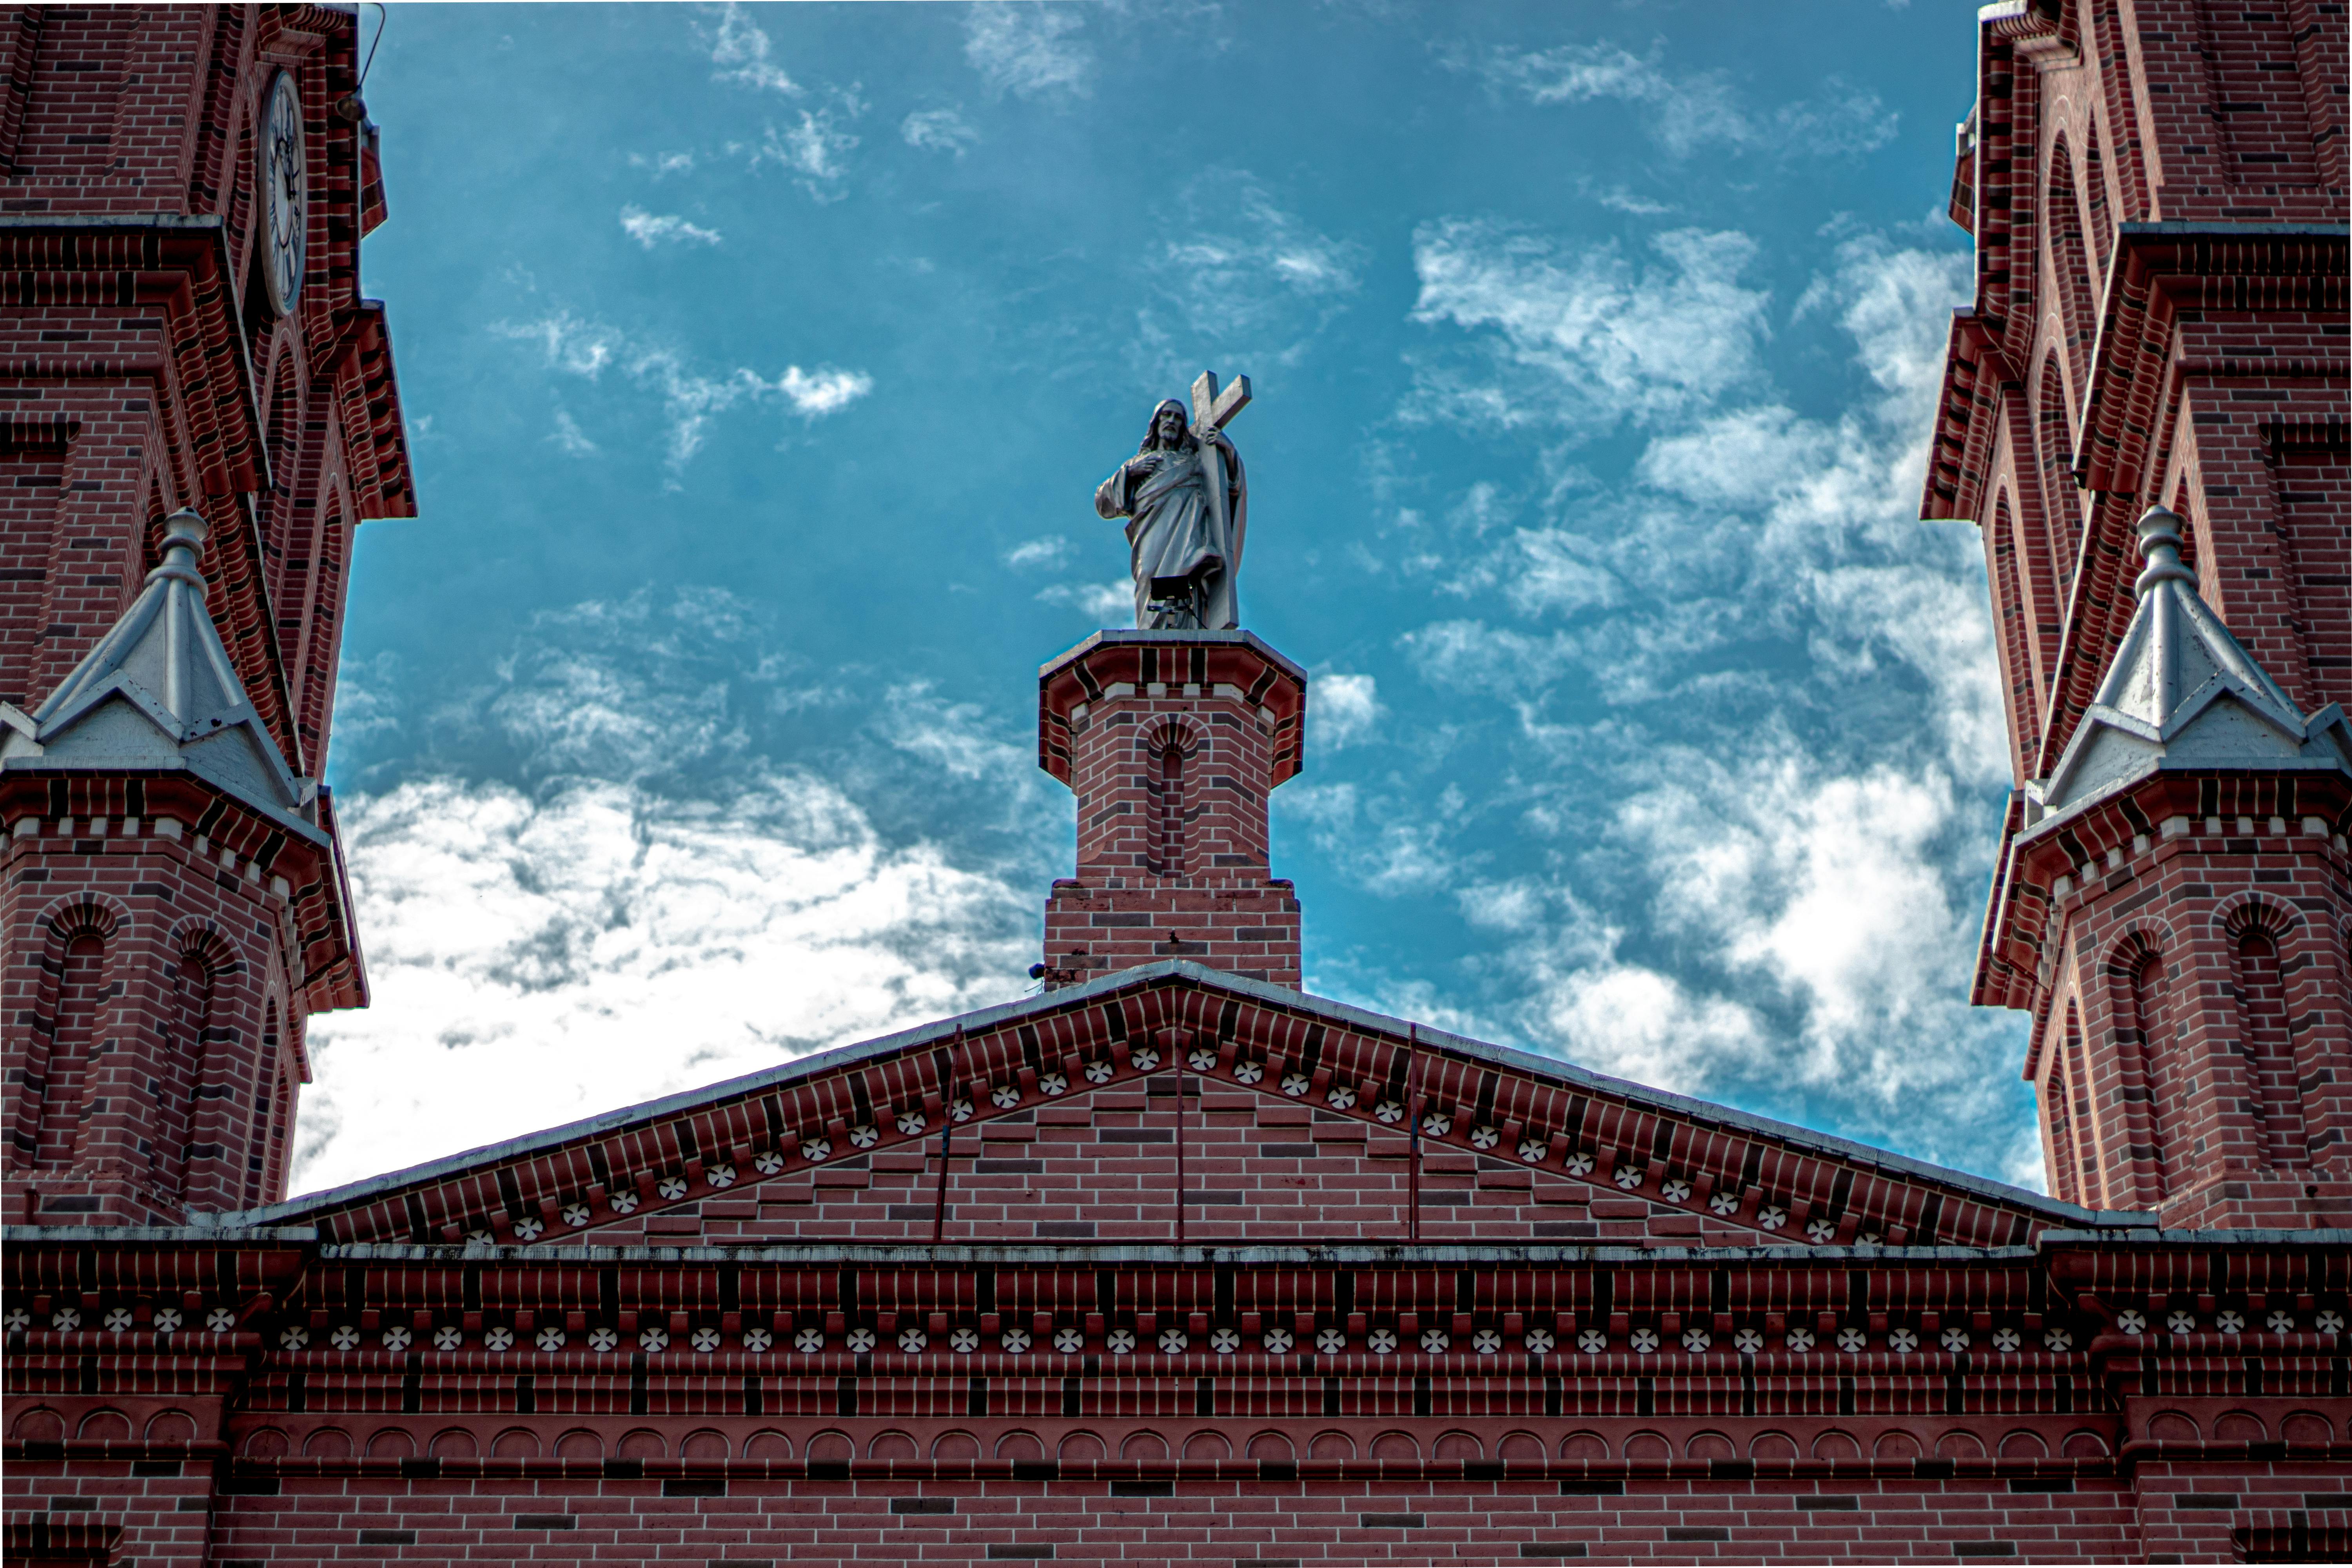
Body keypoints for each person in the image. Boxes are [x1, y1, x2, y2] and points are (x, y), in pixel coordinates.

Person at [1094, 397, 1246, 630]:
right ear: (1156, 422)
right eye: (1167, 415)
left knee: (1186, 579)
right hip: (1153, 533)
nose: (1172, 421)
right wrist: (1130, 473)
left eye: (1178, 418)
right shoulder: (1139, 462)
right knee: (1150, 577)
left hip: (1189, 535)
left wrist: (1229, 452)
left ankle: (1184, 631)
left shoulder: (1196, 461)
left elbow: (1231, 491)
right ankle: (1153, 634)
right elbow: (1102, 502)